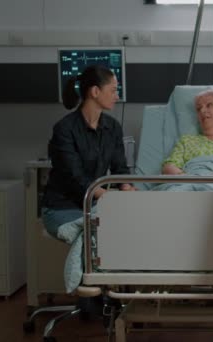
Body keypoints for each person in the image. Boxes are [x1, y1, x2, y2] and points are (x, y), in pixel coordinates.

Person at [42, 65, 135, 238]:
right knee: (96, 236)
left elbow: (120, 169)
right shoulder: (65, 129)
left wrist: (127, 190)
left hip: (91, 206)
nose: (117, 96)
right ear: (95, 91)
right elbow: (75, 178)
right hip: (61, 207)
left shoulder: (113, 128)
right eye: (113, 90)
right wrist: (110, 199)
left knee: (127, 229)